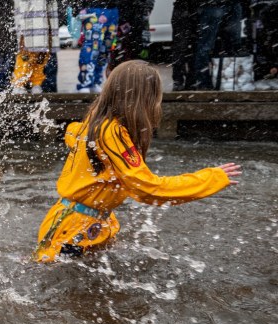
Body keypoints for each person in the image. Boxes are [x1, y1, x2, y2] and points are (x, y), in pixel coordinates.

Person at [33, 60, 241, 262]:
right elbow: (148, 188)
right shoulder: (112, 132)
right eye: (155, 98)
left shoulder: (97, 121)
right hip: (71, 231)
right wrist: (211, 178)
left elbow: (72, 133)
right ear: (144, 99)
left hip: (85, 223)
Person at [12, 0, 58, 94]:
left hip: (44, 27)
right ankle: (19, 84)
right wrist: (21, 31)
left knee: (40, 58)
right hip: (28, 28)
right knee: (25, 57)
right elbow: (20, 10)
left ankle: (36, 83)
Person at [74, 1, 118, 93]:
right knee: (91, 47)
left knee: (105, 49)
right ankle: (86, 82)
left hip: (113, 9)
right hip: (94, 8)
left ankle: (96, 81)